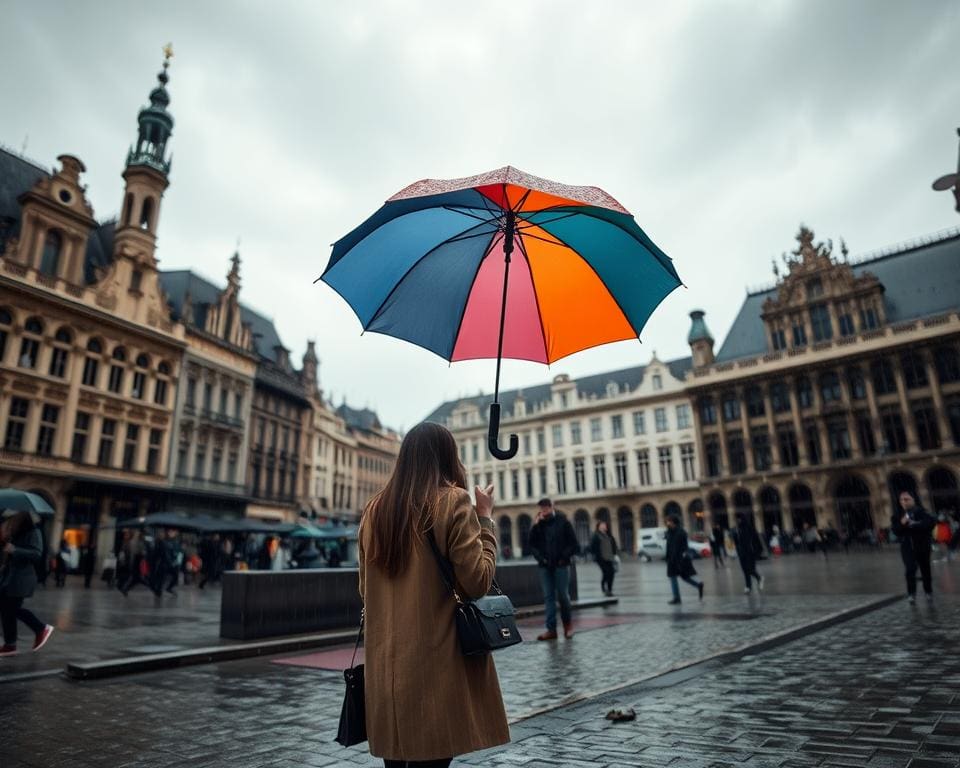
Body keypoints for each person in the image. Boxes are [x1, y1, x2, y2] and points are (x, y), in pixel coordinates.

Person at [359, 422, 509, 767]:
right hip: (435, 666)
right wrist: (484, 519)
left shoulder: (373, 511)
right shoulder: (453, 502)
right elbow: (477, 582)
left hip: (386, 669)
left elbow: (365, 589)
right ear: (447, 457)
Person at [0, 511, 55, 656]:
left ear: (23, 517)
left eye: (14, 517)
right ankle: (10, 644)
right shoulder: (15, 533)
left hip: (22, 577)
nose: (12, 520)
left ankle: (41, 628)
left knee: (11, 608)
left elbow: (37, 553)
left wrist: (15, 549)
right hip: (9, 577)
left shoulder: (34, 531)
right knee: (6, 610)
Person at [528, 497, 579, 641]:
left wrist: (563, 558)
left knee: (563, 596)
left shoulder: (563, 522)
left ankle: (568, 626)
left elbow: (574, 544)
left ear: (552, 507)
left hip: (561, 565)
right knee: (548, 597)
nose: (544, 510)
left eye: (546, 507)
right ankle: (551, 630)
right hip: (545, 566)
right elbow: (531, 544)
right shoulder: (539, 525)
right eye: (542, 507)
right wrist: (535, 526)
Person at [891, 491, 935, 604]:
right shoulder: (897, 515)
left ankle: (928, 591)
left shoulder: (922, 512)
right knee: (910, 570)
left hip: (922, 546)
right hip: (907, 547)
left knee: (925, 569)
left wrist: (914, 524)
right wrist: (902, 523)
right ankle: (911, 594)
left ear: (913, 499)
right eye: (902, 500)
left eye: (907, 499)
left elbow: (929, 524)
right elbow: (896, 531)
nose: (904, 502)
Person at [665, 514, 703, 604]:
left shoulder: (680, 532)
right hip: (672, 558)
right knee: (684, 577)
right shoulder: (670, 532)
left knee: (673, 577)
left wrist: (672, 559)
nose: (667, 523)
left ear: (673, 522)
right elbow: (669, 546)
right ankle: (698, 585)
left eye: (669, 521)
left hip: (677, 560)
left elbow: (678, 547)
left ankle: (677, 598)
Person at [733, 512, 764, 594]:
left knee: (750, 569)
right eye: (737, 519)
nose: (737, 520)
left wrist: (758, 551)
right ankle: (748, 586)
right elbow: (736, 541)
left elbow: (756, 539)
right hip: (741, 552)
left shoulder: (749, 527)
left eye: (738, 518)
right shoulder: (737, 529)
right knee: (745, 570)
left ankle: (759, 578)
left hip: (750, 552)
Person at [589, 521, 618, 596]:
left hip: (610, 557)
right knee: (606, 572)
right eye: (602, 525)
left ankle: (609, 589)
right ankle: (603, 586)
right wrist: (596, 555)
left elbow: (613, 544)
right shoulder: (596, 536)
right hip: (601, 558)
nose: (604, 526)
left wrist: (615, 554)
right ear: (598, 527)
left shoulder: (609, 535)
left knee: (611, 573)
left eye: (605, 525)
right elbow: (592, 547)